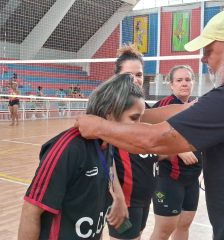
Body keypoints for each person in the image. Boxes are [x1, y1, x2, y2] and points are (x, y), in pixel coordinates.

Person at [75, 8, 224, 240]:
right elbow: (184, 110)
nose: (203, 58)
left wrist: (95, 125)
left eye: (209, 51)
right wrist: (135, 113)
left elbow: (153, 140)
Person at [18, 74, 143, 240]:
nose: (139, 126)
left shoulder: (109, 143)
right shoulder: (68, 148)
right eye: (134, 118)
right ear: (109, 114)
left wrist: (118, 197)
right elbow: (31, 210)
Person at [108, 43, 163, 240]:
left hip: (143, 197)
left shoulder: (144, 109)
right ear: (116, 76)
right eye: (129, 74)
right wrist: (118, 197)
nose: (135, 79)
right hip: (124, 199)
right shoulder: (109, 112)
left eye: (139, 74)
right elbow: (106, 160)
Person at [150, 65, 202, 240]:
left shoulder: (196, 107)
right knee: (164, 230)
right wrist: (178, 150)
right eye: (179, 80)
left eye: (188, 80)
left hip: (192, 179)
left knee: (184, 226)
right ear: (171, 85)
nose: (184, 83)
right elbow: (150, 135)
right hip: (169, 178)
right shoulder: (164, 106)